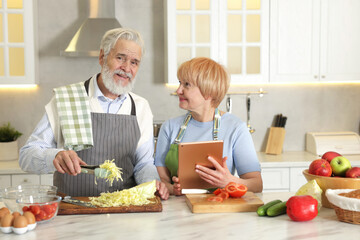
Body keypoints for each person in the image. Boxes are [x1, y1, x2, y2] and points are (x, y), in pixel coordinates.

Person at [19, 28, 169, 200]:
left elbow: (143, 164)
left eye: (134, 62)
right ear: (102, 57)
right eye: (120, 58)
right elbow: (26, 156)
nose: (126, 68)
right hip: (72, 207)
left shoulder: (140, 107)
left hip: (124, 209)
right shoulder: (68, 98)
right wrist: (54, 156)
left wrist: (152, 184)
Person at [154, 57, 262, 195]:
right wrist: (173, 189)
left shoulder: (236, 128)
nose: (178, 90)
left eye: (186, 84)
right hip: (177, 211)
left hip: (219, 209)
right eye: (180, 83)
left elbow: (257, 184)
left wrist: (229, 181)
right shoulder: (169, 127)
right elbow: (162, 180)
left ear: (208, 92)